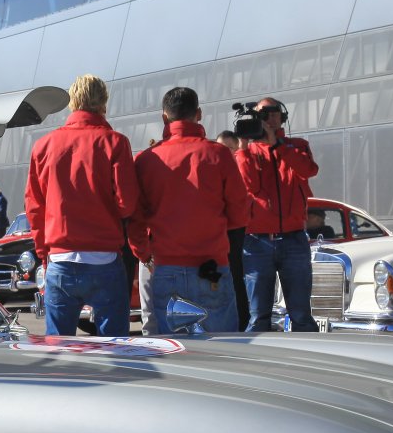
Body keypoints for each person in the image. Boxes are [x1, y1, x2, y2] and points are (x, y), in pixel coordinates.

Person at [128, 87, 250, 334]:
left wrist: (144, 254)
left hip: (167, 266)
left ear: (164, 117)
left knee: (174, 349)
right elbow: (240, 213)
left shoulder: (146, 160)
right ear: (199, 114)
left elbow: (134, 217)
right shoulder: (218, 155)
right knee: (222, 347)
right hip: (211, 266)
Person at [25, 73, 139, 336]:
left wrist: (44, 255)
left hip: (60, 258)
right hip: (104, 258)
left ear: (71, 103)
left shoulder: (44, 146)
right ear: (103, 103)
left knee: (58, 348)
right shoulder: (115, 142)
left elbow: (35, 208)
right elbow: (127, 204)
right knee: (115, 347)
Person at [236, 97, 320, 332]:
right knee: (258, 316)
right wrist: (243, 148)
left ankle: (309, 353)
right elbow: (248, 186)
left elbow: (308, 170)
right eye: (262, 115)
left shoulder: (297, 146)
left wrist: (278, 145)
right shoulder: (248, 152)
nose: (268, 120)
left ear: (282, 117)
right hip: (257, 240)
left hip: (294, 238)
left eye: (272, 114)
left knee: (301, 314)